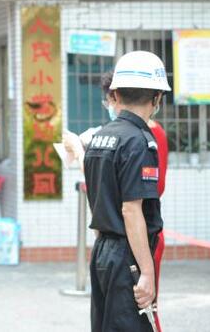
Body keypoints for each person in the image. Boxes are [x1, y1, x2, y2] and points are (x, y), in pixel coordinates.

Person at [84, 51, 169, 332]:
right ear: (157, 98)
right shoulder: (139, 142)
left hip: (102, 250)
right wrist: (146, 271)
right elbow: (131, 210)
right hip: (127, 254)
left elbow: (96, 200)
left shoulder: (99, 138)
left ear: (116, 95)